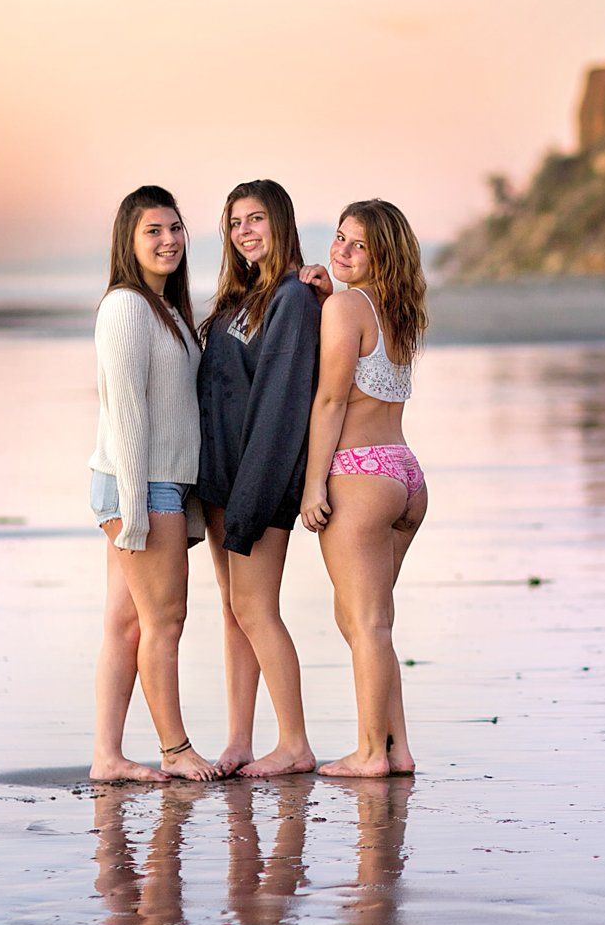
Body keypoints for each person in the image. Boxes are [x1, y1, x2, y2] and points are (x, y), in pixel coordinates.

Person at [88, 186, 220, 784]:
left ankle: (107, 757)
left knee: (128, 625)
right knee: (166, 621)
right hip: (138, 485)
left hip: (148, 484)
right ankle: (175, 748)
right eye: (153, 231)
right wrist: (138, 508)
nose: (168, 240)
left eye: (175, 228)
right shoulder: (125, 307)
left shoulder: (166, 309)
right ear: (129, 240)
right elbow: (127, 412)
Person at [197, 179, 324, 777]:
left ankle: (294, 742)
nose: (244, 231)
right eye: (234, 222)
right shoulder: (239, 300)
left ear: (280, 222)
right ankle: (239, 740)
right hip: (222, 484)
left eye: (256, 219)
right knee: (233, 611)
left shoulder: (293, 298)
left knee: (257, 609)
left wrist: (251, 499)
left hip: (261, 484)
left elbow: (280, 404)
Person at [300, 199, 427, 777]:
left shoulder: (347, 307)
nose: (342, 251)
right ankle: (396, 748)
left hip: (359, 473)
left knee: (367, 622)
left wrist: (311, 486)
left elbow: (329, 400)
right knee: (366, 620)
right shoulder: (396, 308)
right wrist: (334, 295)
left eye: (358, 246)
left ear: (381, 256)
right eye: (339, 238)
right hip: (403, 472)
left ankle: (371, 752)